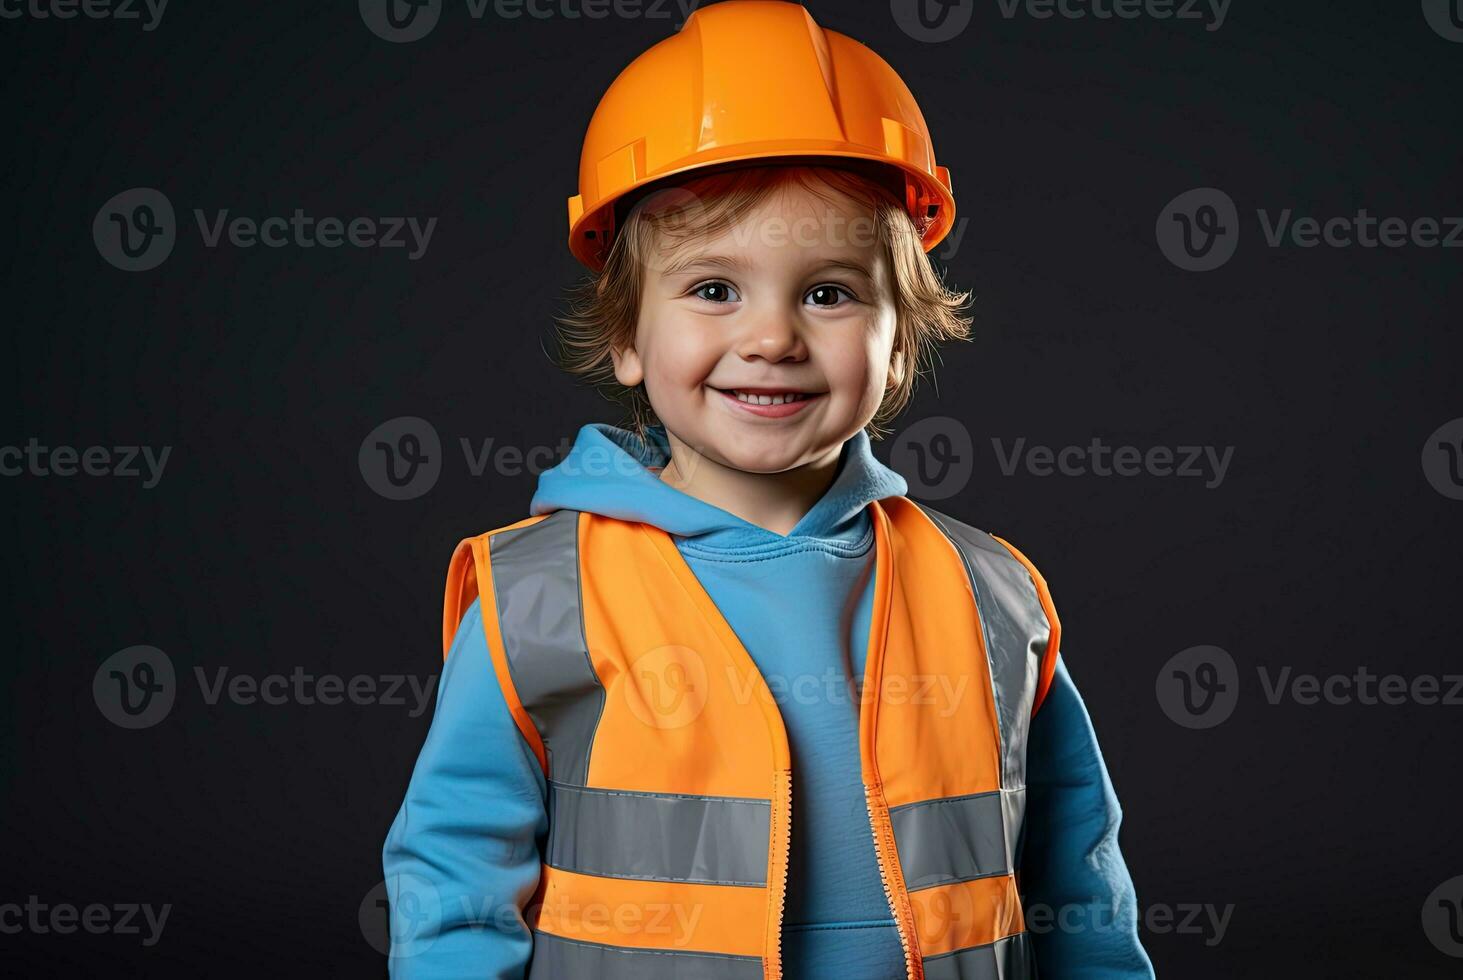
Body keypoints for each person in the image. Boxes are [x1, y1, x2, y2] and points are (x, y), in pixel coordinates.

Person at [382, 2, 1154, 977]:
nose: (773, 337)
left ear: (901, 337)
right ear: (627, 335)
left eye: (828, 292)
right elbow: (455, 870)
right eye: (714, 289)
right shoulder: (542, 594)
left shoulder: (990, 593)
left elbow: (1075, 873)